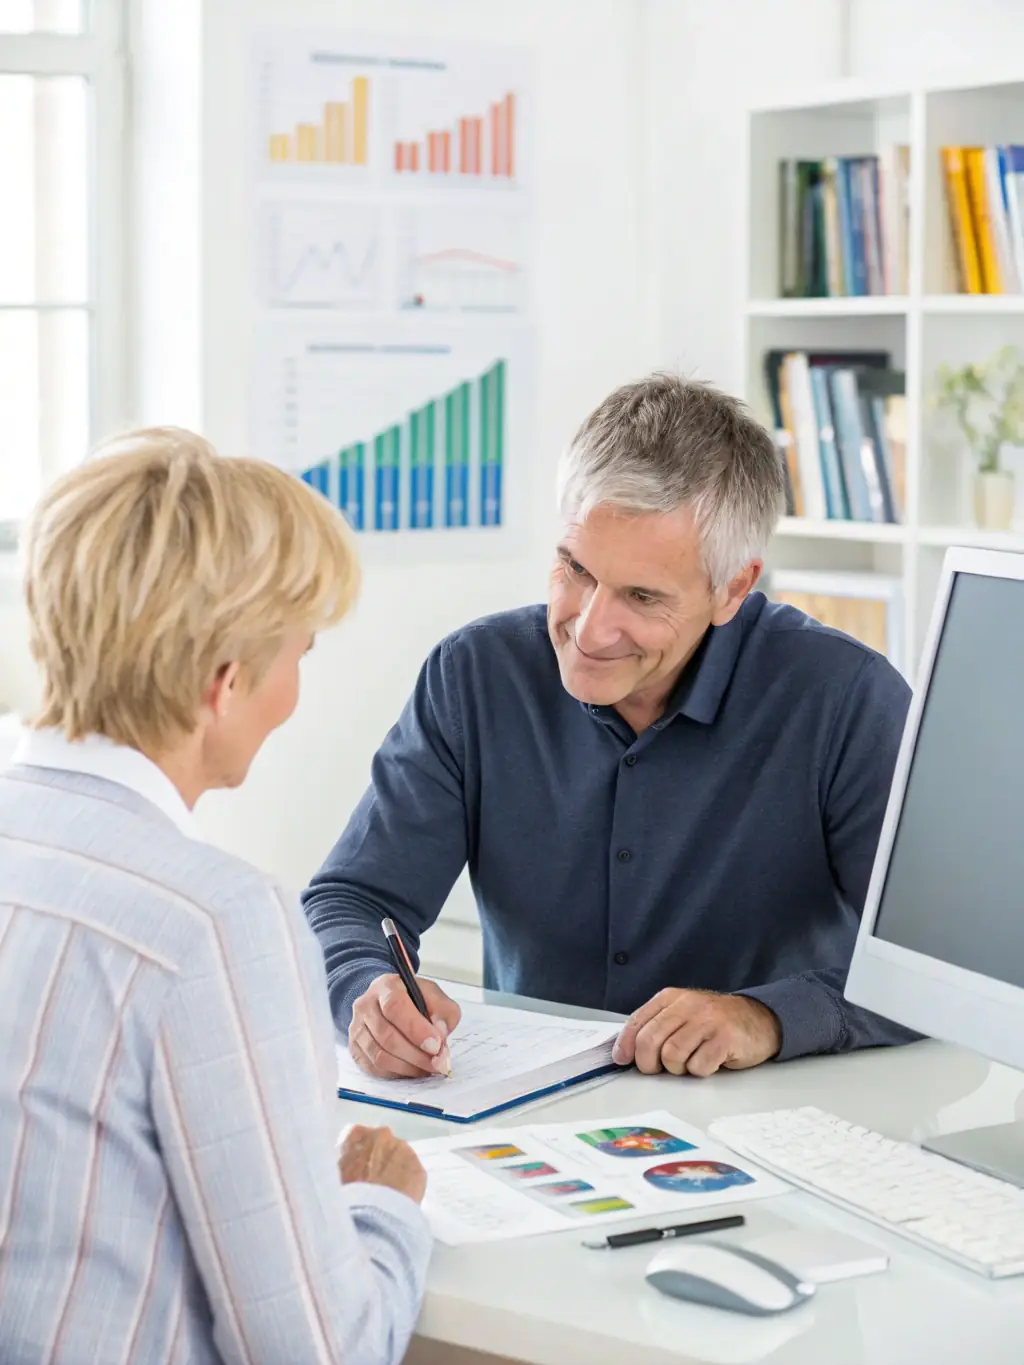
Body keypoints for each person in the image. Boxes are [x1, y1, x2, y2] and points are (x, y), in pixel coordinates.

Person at [303, 374, 915, 1085]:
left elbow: (936, 972)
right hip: (525, 1125)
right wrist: (364, 994)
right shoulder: (474, 676)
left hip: (775, 1119)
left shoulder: (846, 699)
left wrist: (765, 1017)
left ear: (734, 588)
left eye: (642, 596)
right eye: (575, 568)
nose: (589, 628)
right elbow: (351, 900)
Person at [0, 430, 430, 1365]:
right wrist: (384, 1206)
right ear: (224, 683)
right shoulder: (212, 923)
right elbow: (322, 1351)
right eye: (299, 653)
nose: (296, 692)